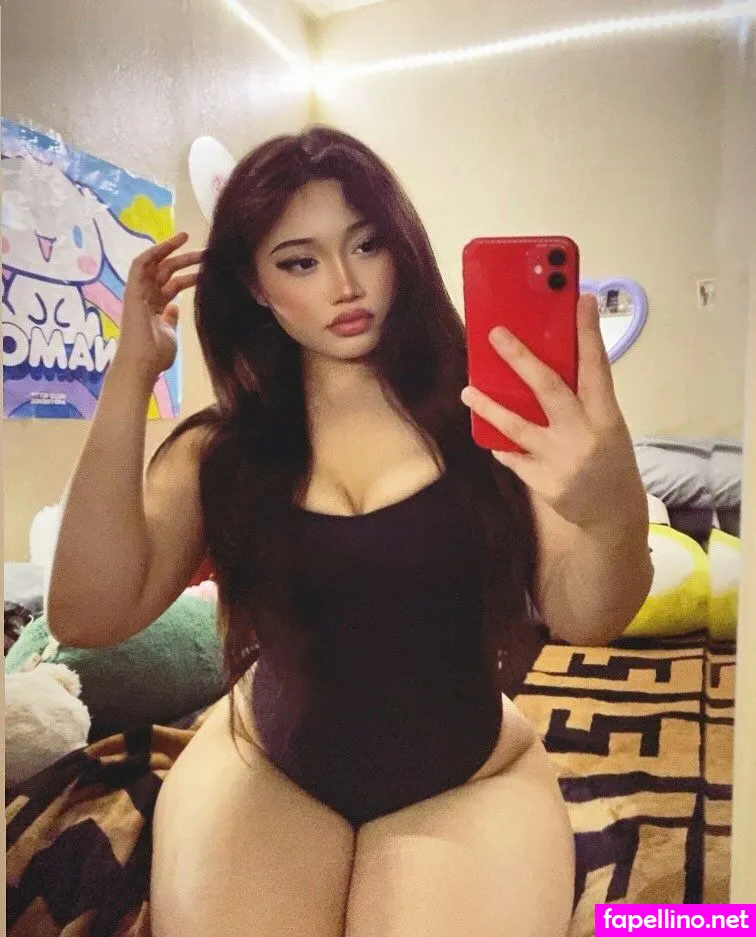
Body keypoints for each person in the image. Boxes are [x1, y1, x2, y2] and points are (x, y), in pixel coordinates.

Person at [47, 126, 653, 937]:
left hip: (468, 779)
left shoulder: (494, 419)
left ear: (401, 247)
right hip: (268, 765)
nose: (345, 284)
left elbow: (588, 614)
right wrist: (130, 371)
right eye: (300, 262)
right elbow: (85, 614)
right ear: (255, 285)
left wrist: (613, 507)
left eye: (366, 245)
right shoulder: (220, 453)